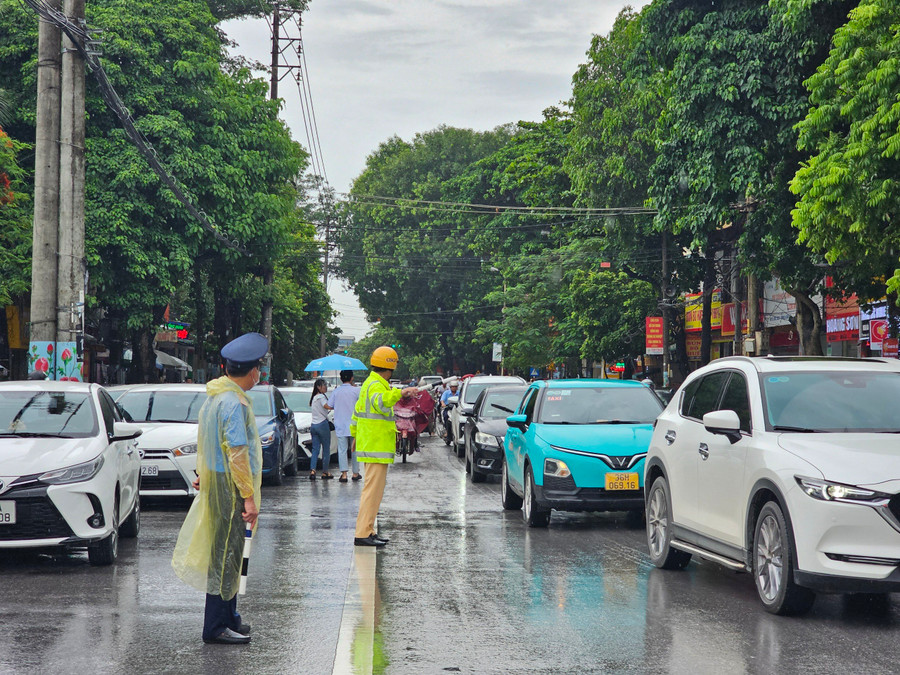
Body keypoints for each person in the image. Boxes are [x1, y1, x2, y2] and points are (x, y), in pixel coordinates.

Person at [171, 332, 266, 646]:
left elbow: (206, 442)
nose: (260, 374)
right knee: (225, 553)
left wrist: (203, 474)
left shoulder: (215, 397)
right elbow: (237, 453)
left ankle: (230, 618)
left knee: (231, 553)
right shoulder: (233, 403)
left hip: (217, 481)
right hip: (230, 487)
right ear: (251, 371)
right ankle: (215, 627)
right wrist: (248, 497)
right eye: (259, 369)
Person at [351, 346, 417, 547]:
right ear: (390, 368)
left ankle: (369, 530)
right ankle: (363, 532)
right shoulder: (377, 386)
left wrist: (354, 436)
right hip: (375, 447)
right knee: (372, 492)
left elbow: (356, 415)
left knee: (374, 492)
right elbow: (381, 403)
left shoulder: (372, 384)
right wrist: (401, 392)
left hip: (373, 446)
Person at [325, 370, 361, 482]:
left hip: (340, 424)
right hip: (355, 424)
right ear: (352, 378)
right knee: (355, 449)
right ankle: (355, 473)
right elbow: (362, 404)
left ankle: (344, 474)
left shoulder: (336, 391)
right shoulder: (357, 390)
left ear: (341, 379)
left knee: (342, 449)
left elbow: (328, 406)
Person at [308, 378, 333, 480]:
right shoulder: (321, 397)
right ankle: (325, 472)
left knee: (315, 450)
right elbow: (327, 406)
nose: (325, 387)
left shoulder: (314, 398)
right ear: (318, 387)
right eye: (324, 385)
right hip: (322, 425)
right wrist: (333, 405)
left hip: (313, 426)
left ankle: (313, 470)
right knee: (326, 449)